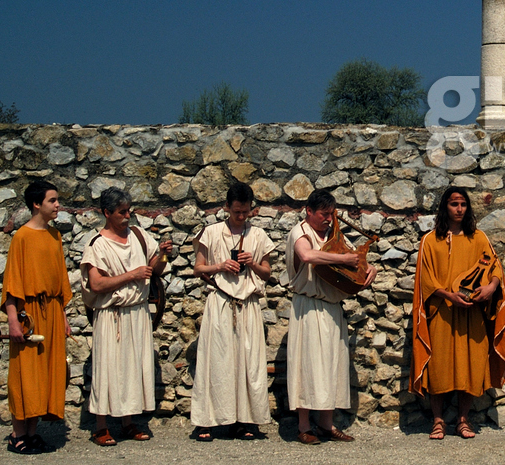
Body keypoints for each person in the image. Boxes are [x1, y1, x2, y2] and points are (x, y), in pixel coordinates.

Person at [411, 187, 505, 440]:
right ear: (444, 207)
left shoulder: (478, 238)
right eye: (454, 204)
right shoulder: (430, 240)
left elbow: (495, 267)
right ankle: (438, 421)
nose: (459, 209)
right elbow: (425, 278)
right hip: (442, 312)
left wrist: (491, 287)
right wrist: (448, 295)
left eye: (463, 204)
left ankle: (463, 420)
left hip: (472, 313)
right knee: (438, 366)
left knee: (471, 365)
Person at [285, 189, 378, 444]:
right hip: (308, 307)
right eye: (324, 214)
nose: (328, 219)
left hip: (332, 309)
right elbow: (307, 255)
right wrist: (343, 258)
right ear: (309, 211)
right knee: (306, 365)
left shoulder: (333, 235)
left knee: (330, 365)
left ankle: (326, 425)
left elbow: (355, 259)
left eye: (331, 214)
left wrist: (370, 268)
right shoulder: (300, 232)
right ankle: (304, 426)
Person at [81, 187, 171, 446]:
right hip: (112, 315)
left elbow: (155, 270)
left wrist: (163, 254)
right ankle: (101, 426)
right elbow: (96, 284)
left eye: (129, 211)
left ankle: (128, 422)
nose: (127, 216)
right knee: (107, 369)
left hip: (137, 311)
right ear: (107, 213)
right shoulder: (96, 244)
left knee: (133, 368)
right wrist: (131, 275)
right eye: (122, 212)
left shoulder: (139, 236)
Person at [190, 182, 275, 441]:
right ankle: (206, 421)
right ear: (227, 207)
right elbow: (198, 269)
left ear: (251, 209)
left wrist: (253, 264)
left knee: (248, 364)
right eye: (236, 211)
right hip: (220, 302)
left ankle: (245, 420)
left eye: (245, 212)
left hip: (248, 304)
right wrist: (220, 266)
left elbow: (267, 273)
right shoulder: (211, 232)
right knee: (216, 362)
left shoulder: (258, 235)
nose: (241, 216)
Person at [2, 179, 73, 455]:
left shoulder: (55, 236)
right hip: (29, 313)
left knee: (46, 372)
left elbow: (60, 279)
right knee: (26, 373)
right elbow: (12, 282)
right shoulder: (22, 237)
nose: (57, 205)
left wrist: (63, 317)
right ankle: (17, 435)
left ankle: (32, 434)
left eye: (57, 200)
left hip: (52, 310)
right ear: (36, 204)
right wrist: (13, 320)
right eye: (52, 200)